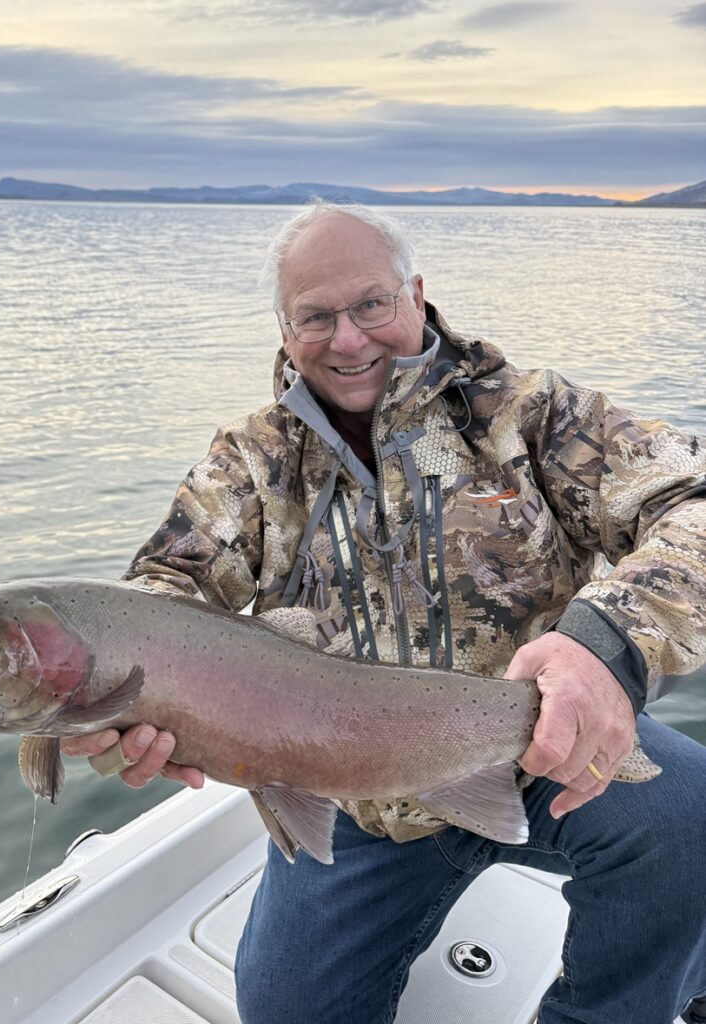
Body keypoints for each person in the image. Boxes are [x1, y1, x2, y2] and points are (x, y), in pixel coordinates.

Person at [63, 200, 706, 1023]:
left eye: (371, 304)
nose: (349, 339)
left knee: (689, 818)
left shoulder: (530, 413)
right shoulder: (252, 461)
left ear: (416, 294)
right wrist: (125, 700)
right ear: (284, 328)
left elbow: (692, 499)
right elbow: (162, 595)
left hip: (540, 746)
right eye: (316, 317)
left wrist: (604, 643)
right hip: (356, 802)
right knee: (287, 1009)